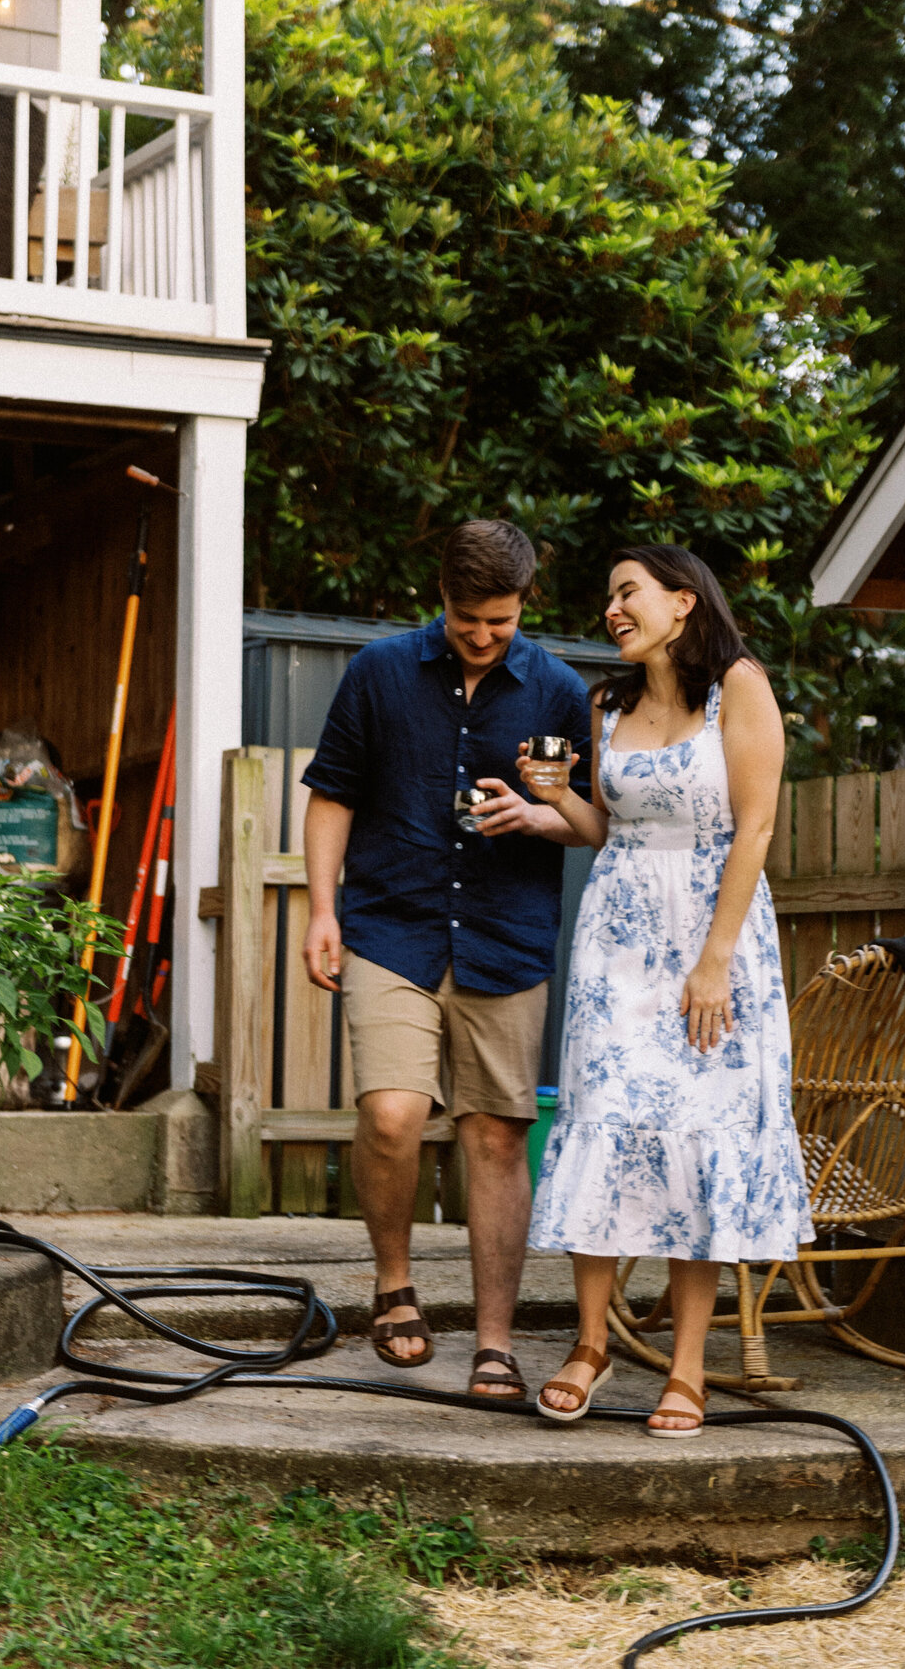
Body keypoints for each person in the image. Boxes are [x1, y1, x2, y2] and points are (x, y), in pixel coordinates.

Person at [521, 545, 814, 1436]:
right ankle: (590, 1344)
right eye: (608, 596)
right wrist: (556, 797)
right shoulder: (605, 702)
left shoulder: (740, 685)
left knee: (696, 1140)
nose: (613, 608)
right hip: (618, 943)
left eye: (628, 591)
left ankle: (687, 1369)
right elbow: (606, 829)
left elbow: (756, 825)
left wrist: (716, 958)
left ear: (682, 602)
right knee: (604, 1119)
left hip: (713, 938)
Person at [301, 519, 592, 1400]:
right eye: (469, 618)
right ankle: (394, 1289)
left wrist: (543, 815)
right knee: (393, 1116)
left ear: (523, 605)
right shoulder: (380, 673)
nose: (481, 635)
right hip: (391, 928)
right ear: (443, 597)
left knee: (498, 1136)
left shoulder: (561, 690)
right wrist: (322, 911)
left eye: (499, 622)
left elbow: (601, 819)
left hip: (506, 937)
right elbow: (330, 796)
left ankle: (494, 1343)